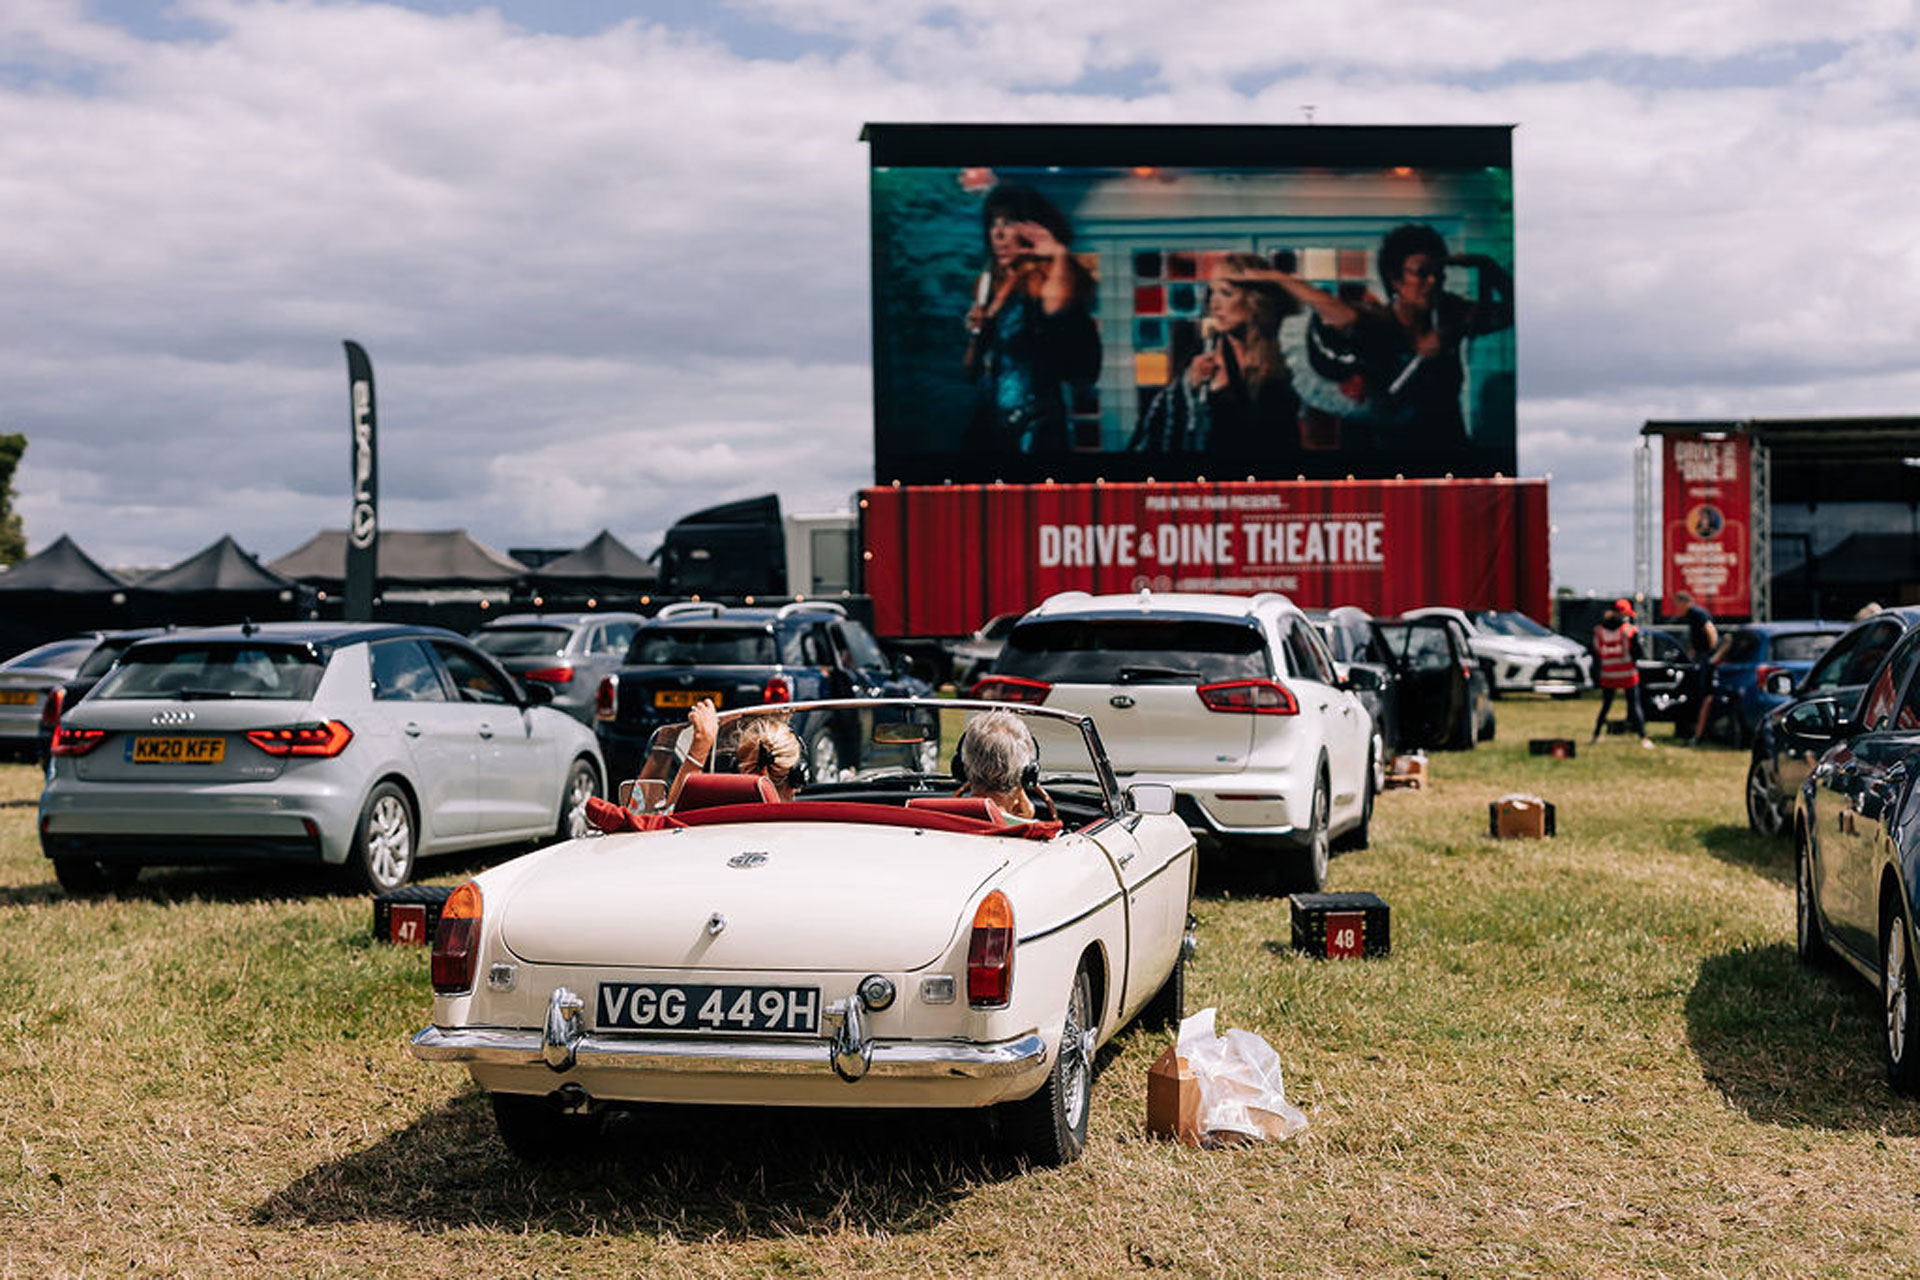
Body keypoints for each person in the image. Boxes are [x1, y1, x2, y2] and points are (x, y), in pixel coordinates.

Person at [1304, 223, 1513, 453]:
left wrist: (1488, 266)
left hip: (1446, 444)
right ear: (1395, 280)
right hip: (1387, 448)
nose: (1432, 281)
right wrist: (1415, 356)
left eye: (1438, 273)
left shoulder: (1450, 313)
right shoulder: (1373, 324)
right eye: (1422, 273)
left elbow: (1510, 312)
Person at [1128, 253, 1316, 463]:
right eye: (1212, 293)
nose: (1214, 304)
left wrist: (1277, 278)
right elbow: (1159, 422)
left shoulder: (1286, 349)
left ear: (1254, 299)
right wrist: (1188, 384)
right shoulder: (1203, 351)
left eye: (1226, 293)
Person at [963, 184, 1100, 456]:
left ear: (1032, 230)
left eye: (1009, 224)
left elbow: (1055, 307)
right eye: (993, 225)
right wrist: (977, 332)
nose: (999, 235)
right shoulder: (988, 287)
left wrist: (1058, 254)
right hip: (990, 422)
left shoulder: (1044, 279)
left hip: (1035, 423)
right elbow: (971, 371)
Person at [666, 700, 804, 806]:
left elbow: (669, 818)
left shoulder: (713, 816)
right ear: (797, 776)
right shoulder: (803, 830)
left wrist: (700, 747)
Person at [954, 708, 1045, 823]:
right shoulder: (1041, 834)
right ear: (1028, 775)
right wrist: (1020, 823)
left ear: (961, 769)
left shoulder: (934, 823)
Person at [1591, 600, 1653, 748]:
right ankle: (1643, 738)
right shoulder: (1628, 631)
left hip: (1608, 675)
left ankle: (1596, 735)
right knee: (1634, 705)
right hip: (1627, 674)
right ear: (1624, 614)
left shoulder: (1599, 631)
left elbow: (1596, 653)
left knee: (1606, 706)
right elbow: (1638, 653)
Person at [1674, 590, 1720, 744]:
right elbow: (1697, 636)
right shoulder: (1692, 614)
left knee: (1703, 691)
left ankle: (1700, 731)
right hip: (1701, 654)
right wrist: (1693, 652)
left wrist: (1711, 650)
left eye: (1678, 604)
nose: (1677, 608)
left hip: (1705, 656)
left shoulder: (1696, 613)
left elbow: (1709, 629)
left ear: (1684, 602)